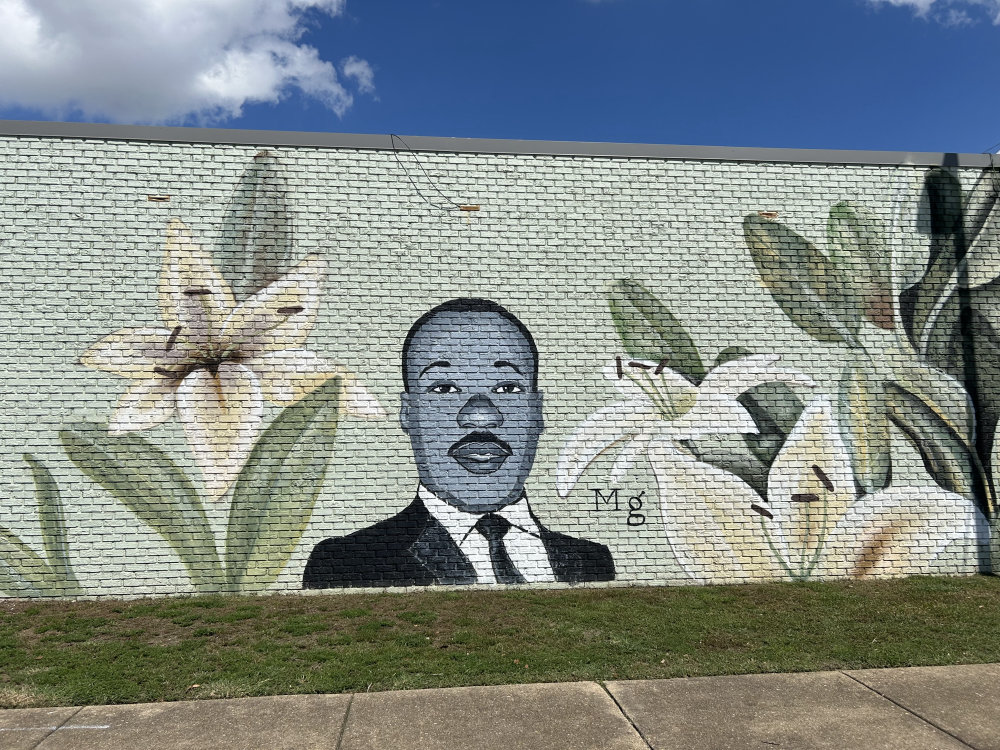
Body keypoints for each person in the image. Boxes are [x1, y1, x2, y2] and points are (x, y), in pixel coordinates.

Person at [303, 298, 615, 588]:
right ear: (408, 414)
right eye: (444, 388)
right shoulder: (348, 563)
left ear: (537, 412)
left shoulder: (592, 562)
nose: (480, 415)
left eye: (507, 388)